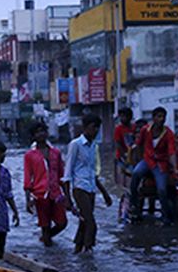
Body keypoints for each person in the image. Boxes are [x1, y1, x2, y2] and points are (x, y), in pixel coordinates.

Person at [63, 114, 112, 254]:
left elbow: (92, 173)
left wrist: (105, 193)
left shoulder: (93, 146)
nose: (95, 130)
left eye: (98, 127)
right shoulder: (75, 144)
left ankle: (77, 251)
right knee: (91, 223)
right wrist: (68, 198)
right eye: (93, 127)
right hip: (79, 189)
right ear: (85, 128)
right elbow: (67, 173)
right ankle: (88, 252)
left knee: (84, 222)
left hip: (90, 188)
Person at [23, 120, 68, 247]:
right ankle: (49, 252)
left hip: (56, 193)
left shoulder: (56, 153)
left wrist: (67, 197)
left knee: (62, 223)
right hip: (40, 195)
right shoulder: (29, 155)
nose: (41, 134)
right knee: (45, 225)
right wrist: (28, 199)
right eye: (37, 132)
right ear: (33, 136)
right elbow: (27, 178)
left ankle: (46, 238)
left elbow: (61, 175)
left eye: (43, 131)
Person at [129, 107, 177, 225]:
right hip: (147, 160)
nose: (161, 119)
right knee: (135, 173)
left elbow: (171, 152)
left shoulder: (168, 133)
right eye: (159, 116)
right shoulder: (146, 130)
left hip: (161, 164)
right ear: (153, 118)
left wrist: (174, 167)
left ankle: (166, 216)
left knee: (161, 189)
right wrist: (140, 159)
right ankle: (133, 203)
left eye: (163, 117)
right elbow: (138, 145)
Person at [112, 107, 135, 187]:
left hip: (134, 154)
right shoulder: (118, 129)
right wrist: (125, 156)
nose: (122, 118)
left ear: (130, 117)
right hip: (123, 157)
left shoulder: (134, 127)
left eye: (124, 116)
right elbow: (118, 144)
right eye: (121, 116)